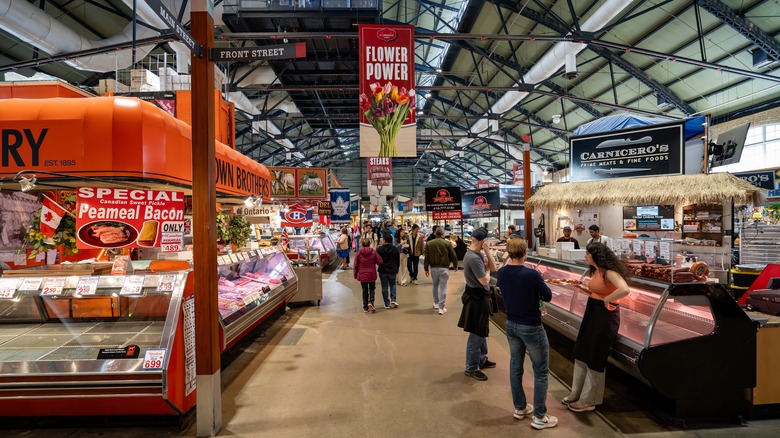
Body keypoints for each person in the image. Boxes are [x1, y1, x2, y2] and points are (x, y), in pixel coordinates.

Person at [496, 237, 558, 429]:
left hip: (511, 324)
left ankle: (520, 408)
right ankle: (540, 416)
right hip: (531, 327)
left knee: (516, 367)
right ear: (525, 252)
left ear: (508, 252)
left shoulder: (502, 272)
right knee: (540, 371)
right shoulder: (531, 275)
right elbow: (547, 295)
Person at [564, 242, 630, 413]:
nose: (585, 257)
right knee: (582, 352)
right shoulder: (597, 271)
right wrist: (583, 288)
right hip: (592, 313)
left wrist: (608, 300)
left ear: (595, 256)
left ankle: (589, 400)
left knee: (595, 356)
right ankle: (576, 393)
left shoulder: (610, 272)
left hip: (605, 317)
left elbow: (624, 289)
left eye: (587, 254)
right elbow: (599, 292)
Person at [457, 227, 497, 381]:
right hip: (477, 299)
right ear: (482, 240)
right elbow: (485, 280)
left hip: (480, 297)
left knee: (482, 331)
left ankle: (482, 359)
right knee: (476, 333)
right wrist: (487, 272)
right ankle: (471, 367)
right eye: (487, 240)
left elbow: (492, 268)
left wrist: (487, 252)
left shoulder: (477, 254)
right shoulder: (473, 258)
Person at [424, 227, 458, 315]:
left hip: (433, 268)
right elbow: (453, 255)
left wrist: (426, 268)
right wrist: (455, 265)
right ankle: (441, 308)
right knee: (443, 287)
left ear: (435, 234)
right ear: (442, 234)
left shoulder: (429, 243)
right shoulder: (447, 243)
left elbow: (426, 257)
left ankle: (435, 303)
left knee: (435, 286)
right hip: (444, 268)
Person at [353, 237, 383, 313]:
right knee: (372, 289)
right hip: (371, 273)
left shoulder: (359, 253)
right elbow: (380, 261)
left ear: (362, 245)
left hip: (362, 274)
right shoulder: (373, 252)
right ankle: (371, 302)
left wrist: (355, 274)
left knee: (364, 290)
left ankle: (365, 306)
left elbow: (355, 264)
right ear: (369, 244)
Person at [376, 232, 400, 309]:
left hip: (383, 270)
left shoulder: (379, 249)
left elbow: (377, 260)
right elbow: (398, 260)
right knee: (393, 284)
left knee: (384, 286)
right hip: (393, 269)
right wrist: (397, 268)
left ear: (384, 240)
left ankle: (386, 303)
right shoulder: (395, 249)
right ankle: (393, 299)